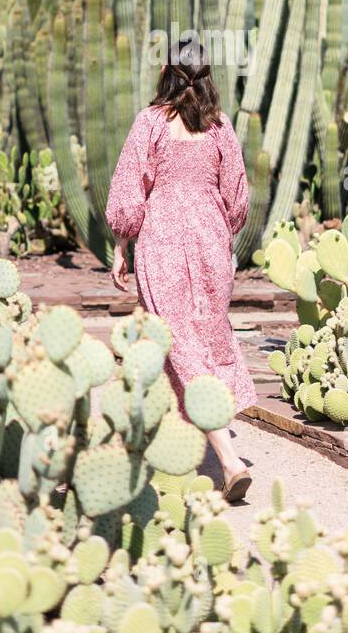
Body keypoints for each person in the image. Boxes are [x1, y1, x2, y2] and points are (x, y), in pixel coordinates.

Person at [106, 42, 256, 502]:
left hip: (163, 241)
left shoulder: (150, 123)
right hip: (211, 241)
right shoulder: (219, 127)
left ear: (167, 73)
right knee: (187, 339)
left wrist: (121, 244)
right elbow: (238, 199)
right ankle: (141, 450)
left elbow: (130, 193)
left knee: (180, 342)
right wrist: (217, 232)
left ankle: (227, 461)